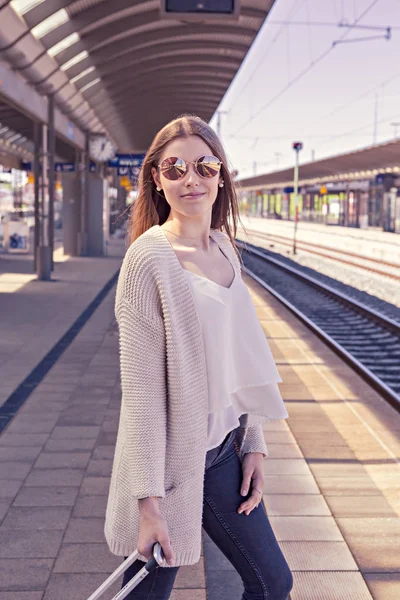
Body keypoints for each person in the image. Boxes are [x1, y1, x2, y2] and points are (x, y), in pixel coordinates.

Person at [104, 114, 293, 600]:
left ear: (221, 175)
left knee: (272, 582)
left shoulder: (225, 246)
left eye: (205, 166)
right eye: (175, 167)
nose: (191, 178)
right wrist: (148, 504)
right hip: (169, 465)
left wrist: (253, 440)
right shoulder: (147, 261)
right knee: (148, 591)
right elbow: (142, 393)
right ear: (156, 179)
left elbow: (243, 355)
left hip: (225, 451)